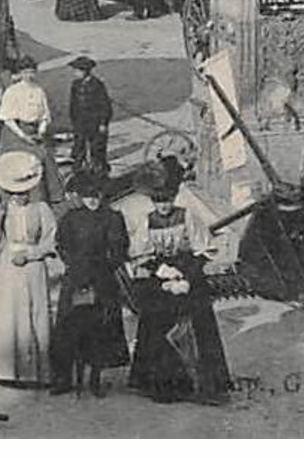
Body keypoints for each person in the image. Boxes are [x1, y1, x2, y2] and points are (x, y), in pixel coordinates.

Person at [128, 171, 231, 404]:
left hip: (188, 275)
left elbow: (203, 249)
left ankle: (203, 384)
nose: (163, 206)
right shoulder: (147, 221)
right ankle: (163, 385)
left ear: (174, 198)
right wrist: (162, 272)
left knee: (196, 324)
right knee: (156, 322)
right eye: (158, 201)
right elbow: (140, 254)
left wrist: (187, 276)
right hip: (161, 277)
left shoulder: (187, 217)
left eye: (167, 200)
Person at [0, 151, 58, 386]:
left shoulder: (41, 208)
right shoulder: (3, 211)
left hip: (33, 266)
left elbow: (52, 239)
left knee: (35, 313)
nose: (20, 198)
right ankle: (4, 370)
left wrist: (33, 254)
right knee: (8, 314)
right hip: (8, 266)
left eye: (24, 193)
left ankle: (37, 372)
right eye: (15, 194)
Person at [50, 171, 130, 396]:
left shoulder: (113, 217)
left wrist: (103, 267)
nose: (93, 200)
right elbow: (61, 245)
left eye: (96, 195)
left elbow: (120, 249)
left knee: (100, 329)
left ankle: (96, 376)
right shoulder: (71, 218)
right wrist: (74, 265)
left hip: (102, 278)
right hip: (75, 278)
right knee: (66, 327)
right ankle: (63, 377)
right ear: (80, 197)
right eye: (87, 196)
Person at [0, 57, 62, 203]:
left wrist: (41, 130)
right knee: (15, 161)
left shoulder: (39, 91)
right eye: (26, 72)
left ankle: (47, 197)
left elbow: (44, 115)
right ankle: (10, 198)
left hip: (34, 131)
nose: (29, 76)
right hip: (15, 132)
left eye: (32, 72)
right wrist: (23, 135)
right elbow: (7, 118)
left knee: (44, 157)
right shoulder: (12, 91)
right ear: (20, 73)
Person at [67, 56, 112, 179]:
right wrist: (73, 121)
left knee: (97, 149)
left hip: (95, 122)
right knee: (79, 147)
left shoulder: (97, 85)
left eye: (77, 71)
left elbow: (105, 106)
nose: (75, 73)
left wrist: (103, 123)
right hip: (81, 122)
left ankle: (101, 172)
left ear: (85, 71)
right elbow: (73, 104)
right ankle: (77, 171)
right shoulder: (75, 85)